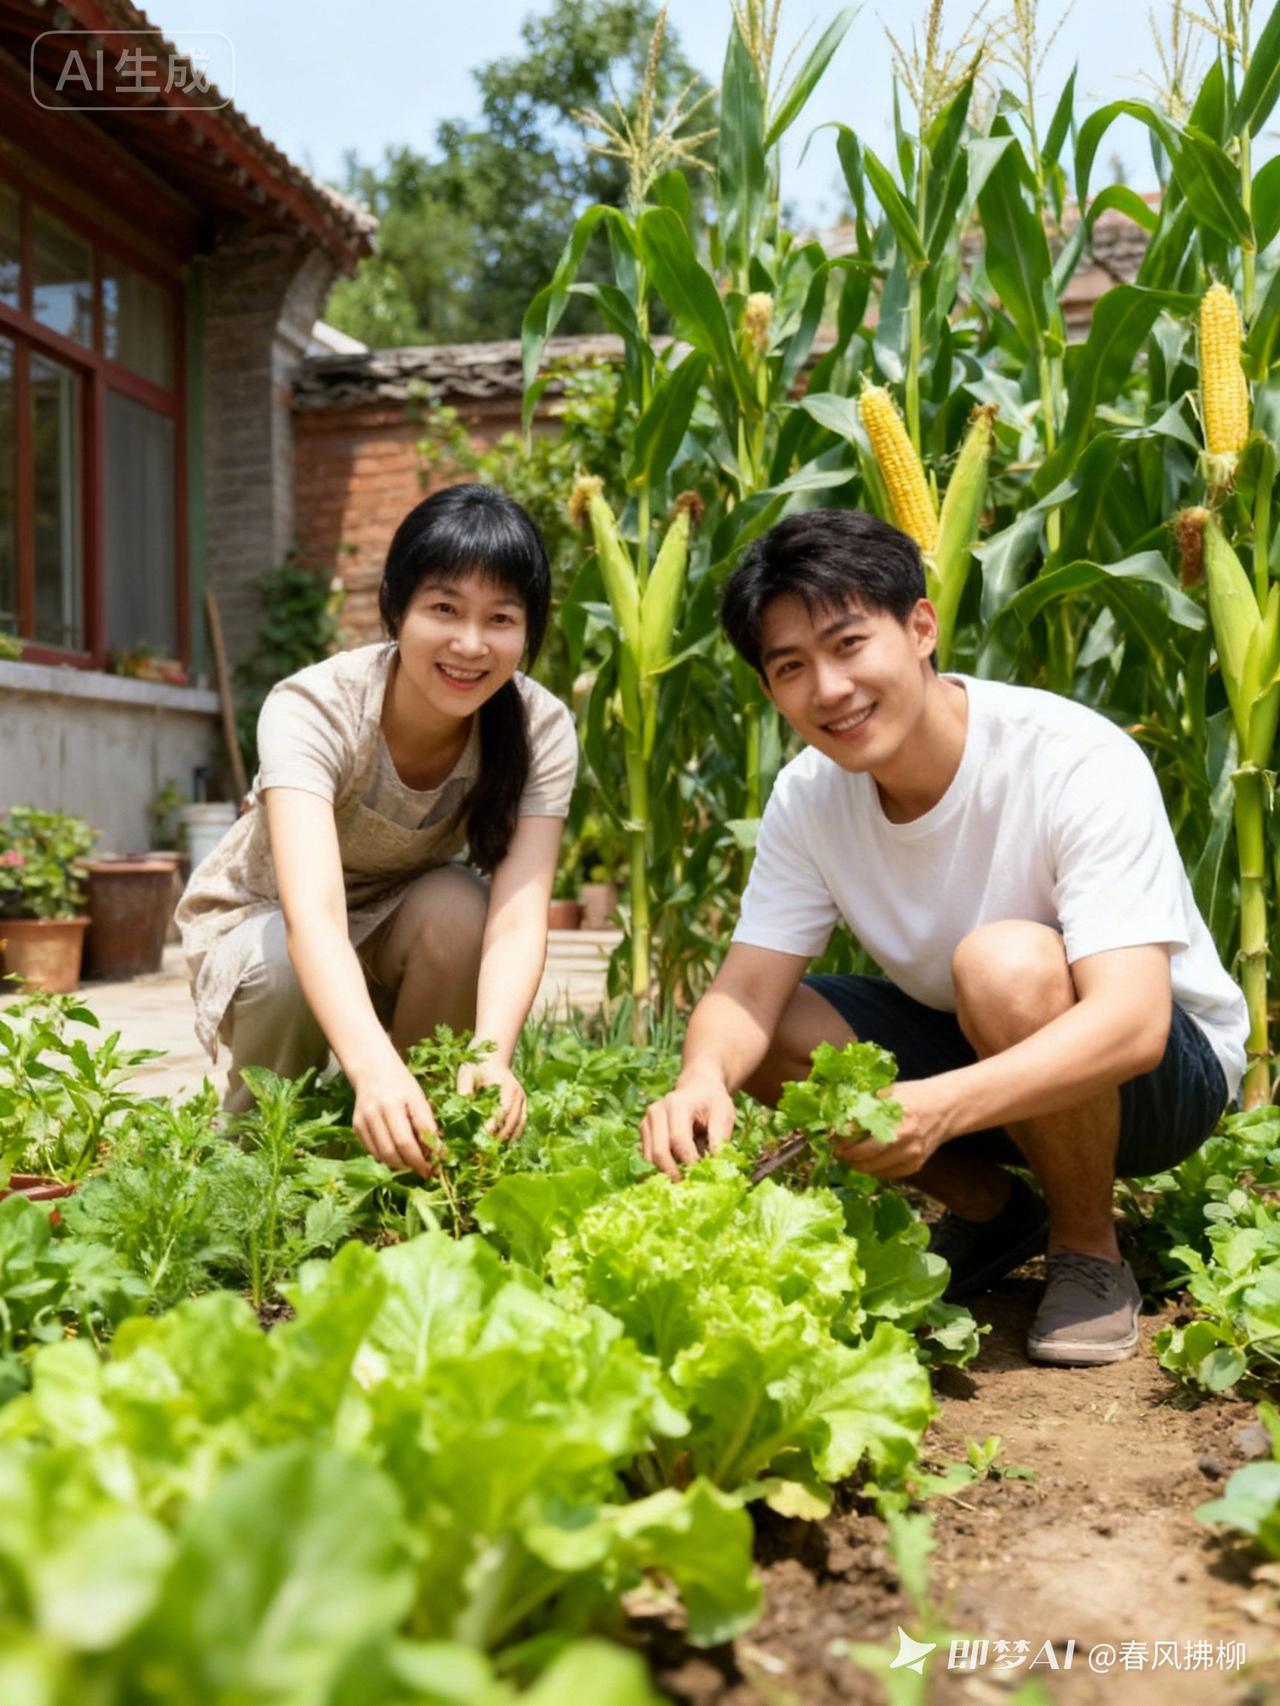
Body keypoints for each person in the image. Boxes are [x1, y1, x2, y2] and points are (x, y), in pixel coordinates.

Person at [638, 508, 1246, 1367]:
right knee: (764, 1032)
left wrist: (937, 1107)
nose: (830, 689)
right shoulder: (809, 797)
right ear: (771, 691)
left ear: (921, 627)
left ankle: (1087, 1249)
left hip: (1157, 1082)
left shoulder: (1070, 757)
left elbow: (1134, 1023)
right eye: (792, 667)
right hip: (984, 1048)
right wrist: (699, 1080)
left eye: (849, 644)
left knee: (1004, 964)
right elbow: (745, 991)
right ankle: (997, 1213)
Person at [177, 484, 577, 1176]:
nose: (471, 644)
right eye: (444, 609)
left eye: (501, 618)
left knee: (462, 908)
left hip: (400, 922)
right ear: (396, 606)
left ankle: (413, 1146)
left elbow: (518, 918)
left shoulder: (540, 727)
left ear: (530, 629)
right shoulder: (314, 707)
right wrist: (370, 1066)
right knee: (283, 967)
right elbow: (314, 917)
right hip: (266, 921)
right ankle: (254, 1154)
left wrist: (491, 1057)